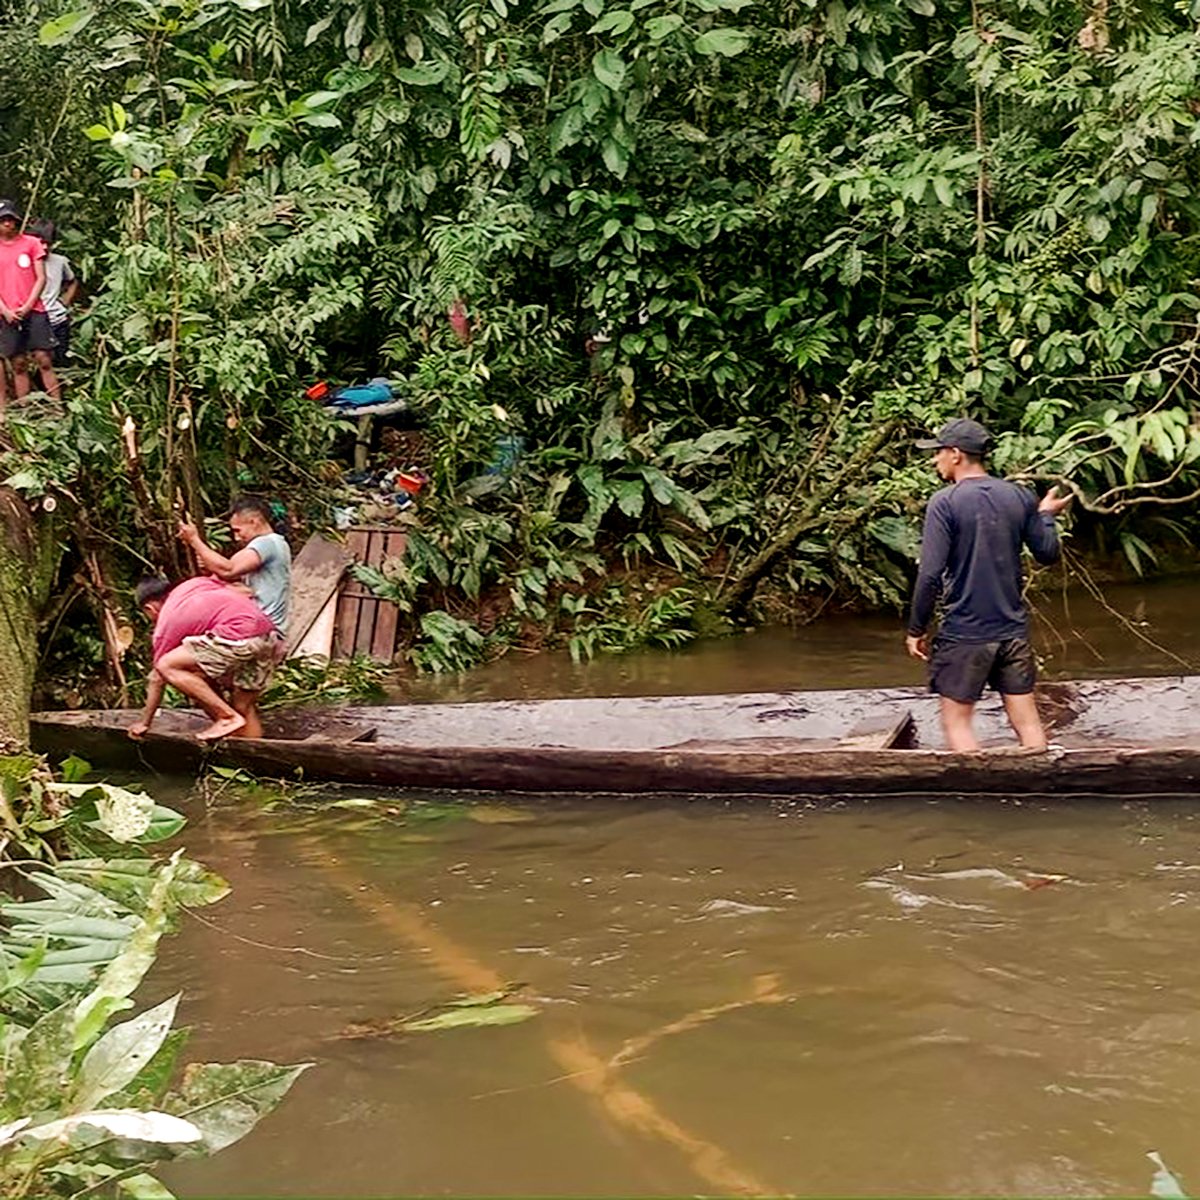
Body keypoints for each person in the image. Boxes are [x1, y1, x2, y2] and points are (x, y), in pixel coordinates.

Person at [905, 417, 1072, 752]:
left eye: (938, 453)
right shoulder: (1019, 496)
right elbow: (1047, 554)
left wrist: (916, 628)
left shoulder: (945, 502)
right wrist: (1046, 516)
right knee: (1027, 722)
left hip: (965, 632)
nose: (934, 460)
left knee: (956, 721)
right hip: (1012, 631)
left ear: (955, 454)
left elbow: (930, 574)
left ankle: (977, 798)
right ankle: (1039, 786)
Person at [128, 576, 279, 742]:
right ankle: (253, 754)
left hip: (237, 636)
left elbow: (158, 676)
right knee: (242, 706)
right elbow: (239, 589)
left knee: (166, 665)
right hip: (267, 636)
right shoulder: (196, 584)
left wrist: (144, 722)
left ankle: (227, 717)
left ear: (150, 608)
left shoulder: (167, 622)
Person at [177, 495, 291, 635]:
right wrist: (209, 563)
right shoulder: (274, 544)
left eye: (238, 530)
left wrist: (194, 540)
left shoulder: (266, 543)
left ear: (253, 522)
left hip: (263, 628)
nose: (236, 537)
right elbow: (227, 572)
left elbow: (228, 569)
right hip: (265, 625)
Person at [0, 200, 59, 411]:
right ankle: (24, 411)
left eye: (10, 219)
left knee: (44, 358)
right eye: (2, 220)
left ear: (17, 221)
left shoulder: (31, 243)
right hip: (6, 313)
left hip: (34, 310)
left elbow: (41, 278)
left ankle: (57, 408)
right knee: (18, 363)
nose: (7, 223)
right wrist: (5, 310)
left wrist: (27, 306)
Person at [29, 220, 77, 368]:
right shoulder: (24, 261)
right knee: (39, 362)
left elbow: (73, 281)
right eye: (41, 242)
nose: (44, 247)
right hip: (33, 319)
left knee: (60, 361)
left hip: (57, 319)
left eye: (48, 243)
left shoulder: (60, 261)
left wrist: (65, 302)